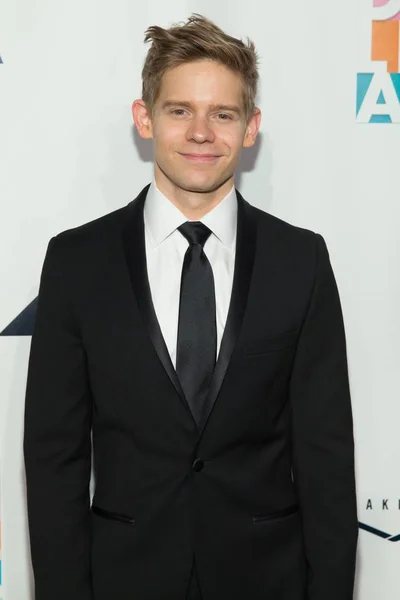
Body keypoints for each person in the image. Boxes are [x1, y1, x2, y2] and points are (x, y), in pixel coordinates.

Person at [23, 13, 358, 600]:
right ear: (144, 117)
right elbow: (55, 460)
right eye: (180, 110)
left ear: (250, 127)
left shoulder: (299, 262)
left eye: (222, 114)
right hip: (124, 581)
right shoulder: (77, 263)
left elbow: (326, 457)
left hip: (266, 582)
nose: (201, 132)